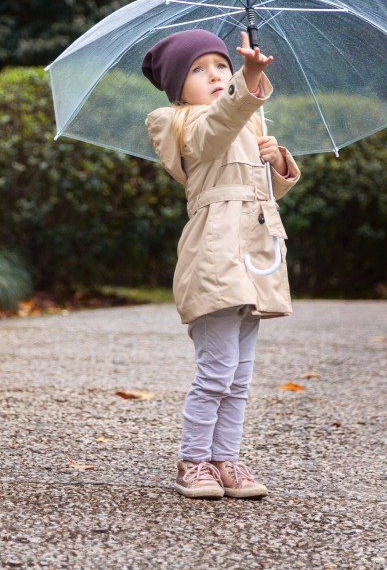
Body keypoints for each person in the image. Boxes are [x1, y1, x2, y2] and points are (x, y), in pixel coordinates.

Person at [142, 28, 301, 500]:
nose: (214, 74)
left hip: (254, 254)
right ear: (178, 86)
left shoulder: (248, 120)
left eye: (219, 65)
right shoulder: (177, 123)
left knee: (240, 375)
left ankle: (225, 458)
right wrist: (248, 79)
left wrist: (277, 163)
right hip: (213, 254)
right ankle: (193, 460)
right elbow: (213, 134)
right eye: (198, 69)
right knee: (216, 370)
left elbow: (261, 192)